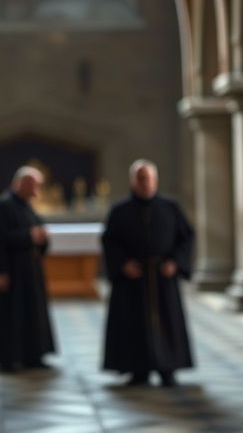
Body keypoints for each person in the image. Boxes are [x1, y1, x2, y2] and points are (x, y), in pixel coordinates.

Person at [101, 159, 194, 387]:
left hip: (162, 275)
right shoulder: (120, 210)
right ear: (133, 181)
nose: (146, 183)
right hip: (133, 278)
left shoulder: (170, 207)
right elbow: (109, 241)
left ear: (156, 180)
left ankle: (168, 369)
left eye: (149, 178)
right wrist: (123, 264)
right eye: (141, 179)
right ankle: (137, 370)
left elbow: (187, 237)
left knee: (167, 322)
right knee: (133, 324)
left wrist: (176, 261)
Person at [0, 166, 56, 370]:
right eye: (35, 185)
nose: (37, 190)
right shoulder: (4, 205)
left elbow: (36, 233)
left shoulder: (27, 206)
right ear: (23, 184)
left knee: (31, 312)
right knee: (12, 313)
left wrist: (42, 238)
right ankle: (8, 357)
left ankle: (33, 355)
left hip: (30, 270)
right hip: (12, 270)